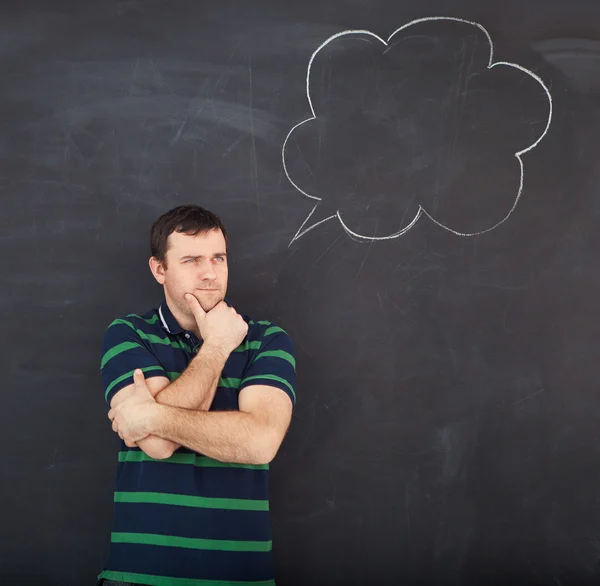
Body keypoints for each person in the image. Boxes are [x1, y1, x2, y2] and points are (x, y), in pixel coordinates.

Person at [97, 204, 296, 586]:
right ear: (160, 269)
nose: (210, 273)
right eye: (191, 260)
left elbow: (260, 441)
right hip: (140, 575)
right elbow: (157, 446)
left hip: (240, 578)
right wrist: (218, 347)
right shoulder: (128, 334)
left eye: (218, 258)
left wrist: (151, 415)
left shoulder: (267, 341)